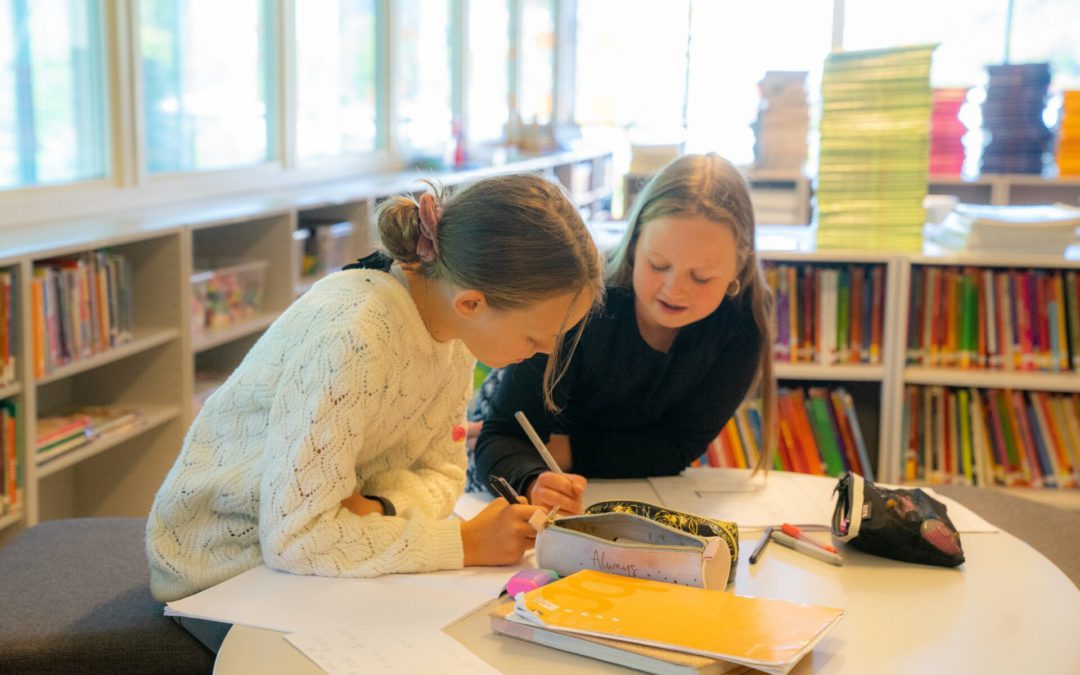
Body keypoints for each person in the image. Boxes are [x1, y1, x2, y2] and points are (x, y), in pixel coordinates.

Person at [146, 172, 604, 613]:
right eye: (537, 336)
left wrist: (377, 506)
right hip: (223, 573)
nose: (546, 350)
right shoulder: (354, 334)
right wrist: (462, 543)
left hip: (315, 561)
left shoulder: (454, 331)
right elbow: (297, 540)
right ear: (472, 303)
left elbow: (445, 477)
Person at [472, 153, 776, 515]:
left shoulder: (744, 320)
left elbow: (675, 448)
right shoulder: (580, 297)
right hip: (518, 464)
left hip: (609, 485)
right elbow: (503, 438)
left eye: (701, 277)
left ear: (737, 269)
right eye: (658, 264)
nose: (674, 289)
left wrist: (563, 450)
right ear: (634, 245)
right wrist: (534, 478)